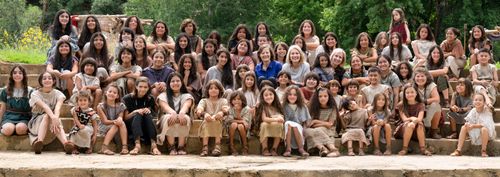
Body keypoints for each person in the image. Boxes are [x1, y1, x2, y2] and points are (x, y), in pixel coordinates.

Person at [28, 72, 74, 154]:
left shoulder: (58, 94)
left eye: (49, 78)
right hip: (36, 121)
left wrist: (55, 118)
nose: (47, 80)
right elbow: (45, 106)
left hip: (51, 122)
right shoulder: (35, 94)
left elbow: (58, 107)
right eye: (44, 78)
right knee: (47, 116)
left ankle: (66, 144)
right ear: (41, 81)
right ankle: (39, 142)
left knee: (54, 117)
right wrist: (53, 117)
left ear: (53, 81)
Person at [157, 73, 194, 155]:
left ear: (182, 82)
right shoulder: (163, 95)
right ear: (169, 84)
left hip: (181, 116)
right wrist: (173, 113)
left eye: (178, 81)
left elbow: (186, 105)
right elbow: (165, 106)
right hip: (168, 118)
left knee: (185, 118)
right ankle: (171, 146)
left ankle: (181, 146)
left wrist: (181, 113)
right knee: (168, 117)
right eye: (172, 81)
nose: (175, 83)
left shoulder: (187, 95)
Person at [123, 77, 160, 155]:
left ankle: (154, 145)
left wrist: (148, 110)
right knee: (138, 114)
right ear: (136, 86)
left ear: (148, 88)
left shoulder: (150, 99)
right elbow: (125, 118)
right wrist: (135, 111)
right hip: (131, 125)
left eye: (145, 87)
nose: (142, 89)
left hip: (145, 126)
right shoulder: (127, 98)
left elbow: (154, 117)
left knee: (146, 114)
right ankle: (137, 145)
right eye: (140, 86)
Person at [394, 85, 432, 156]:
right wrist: (412, 118)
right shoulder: (401, 105)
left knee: (420, 124)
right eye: (407, 93)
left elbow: (420, 119)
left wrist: (414, 122)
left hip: (417, 128)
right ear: (404, 94)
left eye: (412, 92)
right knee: (408, 125)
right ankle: (404, 148)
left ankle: (423, 149)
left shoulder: (421, 105)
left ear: (416, 93)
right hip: (403, 129)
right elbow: (404, 119)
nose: (410, 94)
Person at [196, 80, 229, 156]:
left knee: (216, 121)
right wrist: (204, 114)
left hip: (220, 122)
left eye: (216, 88)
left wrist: (222, 112)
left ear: (220, 90)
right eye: (211, 88)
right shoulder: (204, 100)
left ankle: (217, 146)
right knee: (207, 122)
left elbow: (226, 109)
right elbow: (199, 109)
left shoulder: (223, 100)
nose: (213, 90)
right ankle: (205, 147)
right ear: (207, 90)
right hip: (206, 122)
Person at [304, 87, 340, 157]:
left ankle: (333, 149)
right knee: (307, 131)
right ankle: (323, 149)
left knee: (317, 130)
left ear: (329, 97)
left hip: (329, 130)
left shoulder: (332, 108)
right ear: (317, 98)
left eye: (325, 96)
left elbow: (330, 124)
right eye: (320, 96)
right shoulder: (312, 107)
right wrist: (322, 123)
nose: (322, 98)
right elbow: (309, 124)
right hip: (314, 129)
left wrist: (315, 121)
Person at [0, 65, 33, 136]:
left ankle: (17, 129)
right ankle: (10, 129)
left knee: (20, 129)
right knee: (8, 130)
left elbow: (33, 108)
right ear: (11, 75)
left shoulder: (30, 91)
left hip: (24, 117)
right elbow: (3, 108)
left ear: (24, 75)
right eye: (14, 73)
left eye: (20, 73)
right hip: (9, 116)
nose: (17, 75)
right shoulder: (5, 90)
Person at [97, 83, 129, 155]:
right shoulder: (100, 106)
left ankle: (124, 147)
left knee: (121, 123)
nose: (112, 93)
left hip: (116, 126)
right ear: (106, 93)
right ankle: (104, 147)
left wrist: (120, 119)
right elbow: (105, 121)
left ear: (117, 96)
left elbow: (120, 117)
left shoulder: (121, 105)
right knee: (115, 125)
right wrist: (115, 121)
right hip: (104, 126)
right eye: (110, 91)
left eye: (114, 93)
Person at [413, 68, 442, 139]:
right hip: (416, 109)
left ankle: (433, 131)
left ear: (427, 77)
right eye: (418, 76)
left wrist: (423, 101)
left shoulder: (431, 85)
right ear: (414, 78)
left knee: (436, 106)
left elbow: (437, 99)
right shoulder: (412, 86)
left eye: (422, 76)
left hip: (429, 108)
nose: (420, 78)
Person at [282, 85, 310, 157]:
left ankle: (301, 149)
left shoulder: (303, 106)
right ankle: (288, 149)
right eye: (290, 94)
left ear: (298, 96)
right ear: (286, 96)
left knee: (294, 126)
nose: (292, 96)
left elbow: (306, 121)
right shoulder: (283, 106)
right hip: (286, 128)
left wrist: (305, 129)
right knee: (288, 123)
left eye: (295, 95)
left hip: (299, 128)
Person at [255, 87, 284, 156]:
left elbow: (282, 117)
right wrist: (276, 118)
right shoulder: (262, 106)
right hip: (264, 126)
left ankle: (274, 148)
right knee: (264, 124)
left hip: (274, 124)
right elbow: (264, 119)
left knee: (280, 125)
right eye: (266, 95)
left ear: (274, 95)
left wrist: (278, 118)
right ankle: (265, 148)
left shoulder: (277, 106)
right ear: (262, 97)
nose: (269, 97)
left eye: (271, 94)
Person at [226, 91, 252, 155]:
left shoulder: (247, 109)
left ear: (242, 100)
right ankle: (231, 145)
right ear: (231, 101)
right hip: (231, 127)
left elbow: (247, 122)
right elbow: (229, 120)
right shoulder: (230, 109)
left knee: (240, 126)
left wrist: (241, 120)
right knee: (234, 124)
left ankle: (245, 145)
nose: (236, 101)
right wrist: (242, 121)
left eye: (238, 99)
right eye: (234, 99)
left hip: (244, 128)